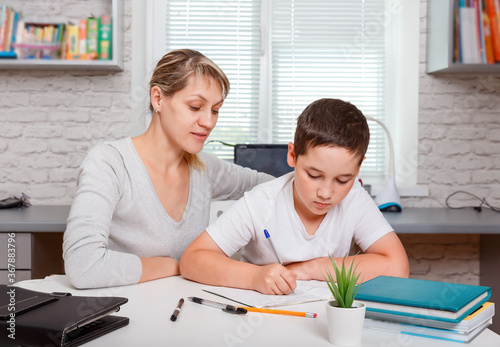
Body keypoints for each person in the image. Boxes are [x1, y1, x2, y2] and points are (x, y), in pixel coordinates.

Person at [63, 49, 273, 289]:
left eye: (215, 110)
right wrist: (181, 265)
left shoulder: (205, 168)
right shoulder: (109, 163)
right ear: (158, 99)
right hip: (122, 313)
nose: (209, 122)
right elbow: (83, 266)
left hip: (185, 310)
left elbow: (270, 185)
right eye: (195, 107)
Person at [180, 98, 409, 295]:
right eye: (314, 175)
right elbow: (192, 261)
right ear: (292, 156)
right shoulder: (262, 202)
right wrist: (255, 277)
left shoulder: (355, 200)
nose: (326, 193)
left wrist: (310, 269)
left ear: (358, 170)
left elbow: (397, 267)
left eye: (342, 180)